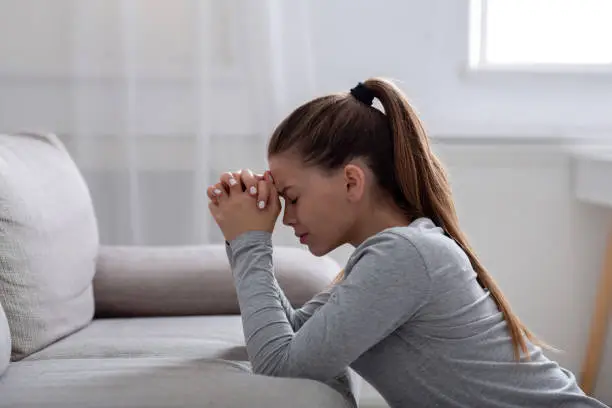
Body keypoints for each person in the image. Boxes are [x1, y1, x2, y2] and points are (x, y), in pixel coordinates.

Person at [206, 77, 609, 408]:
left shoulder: (403, 256)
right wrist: (243, 239)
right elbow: (291, 337)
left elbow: (280, 366)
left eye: (291, 198)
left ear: (351, 181)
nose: (286, 217)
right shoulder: (389, 256)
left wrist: (250, 242)